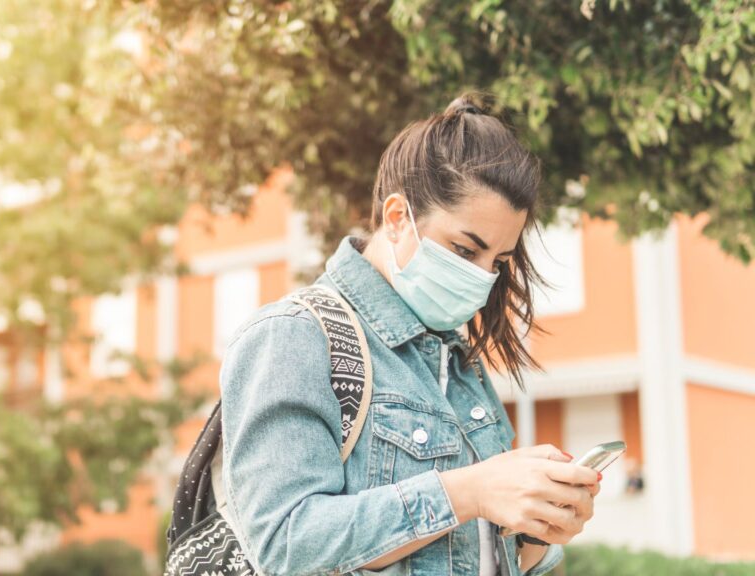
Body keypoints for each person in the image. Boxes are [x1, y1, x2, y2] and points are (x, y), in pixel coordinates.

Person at [216, 94, 602, 576]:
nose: (483, 278)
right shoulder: (293, 337)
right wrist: (471, 492)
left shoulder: (456, 361)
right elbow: (284, 544)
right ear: (398, 218)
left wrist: (539, 532)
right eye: (465, 251)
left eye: (498, 263)